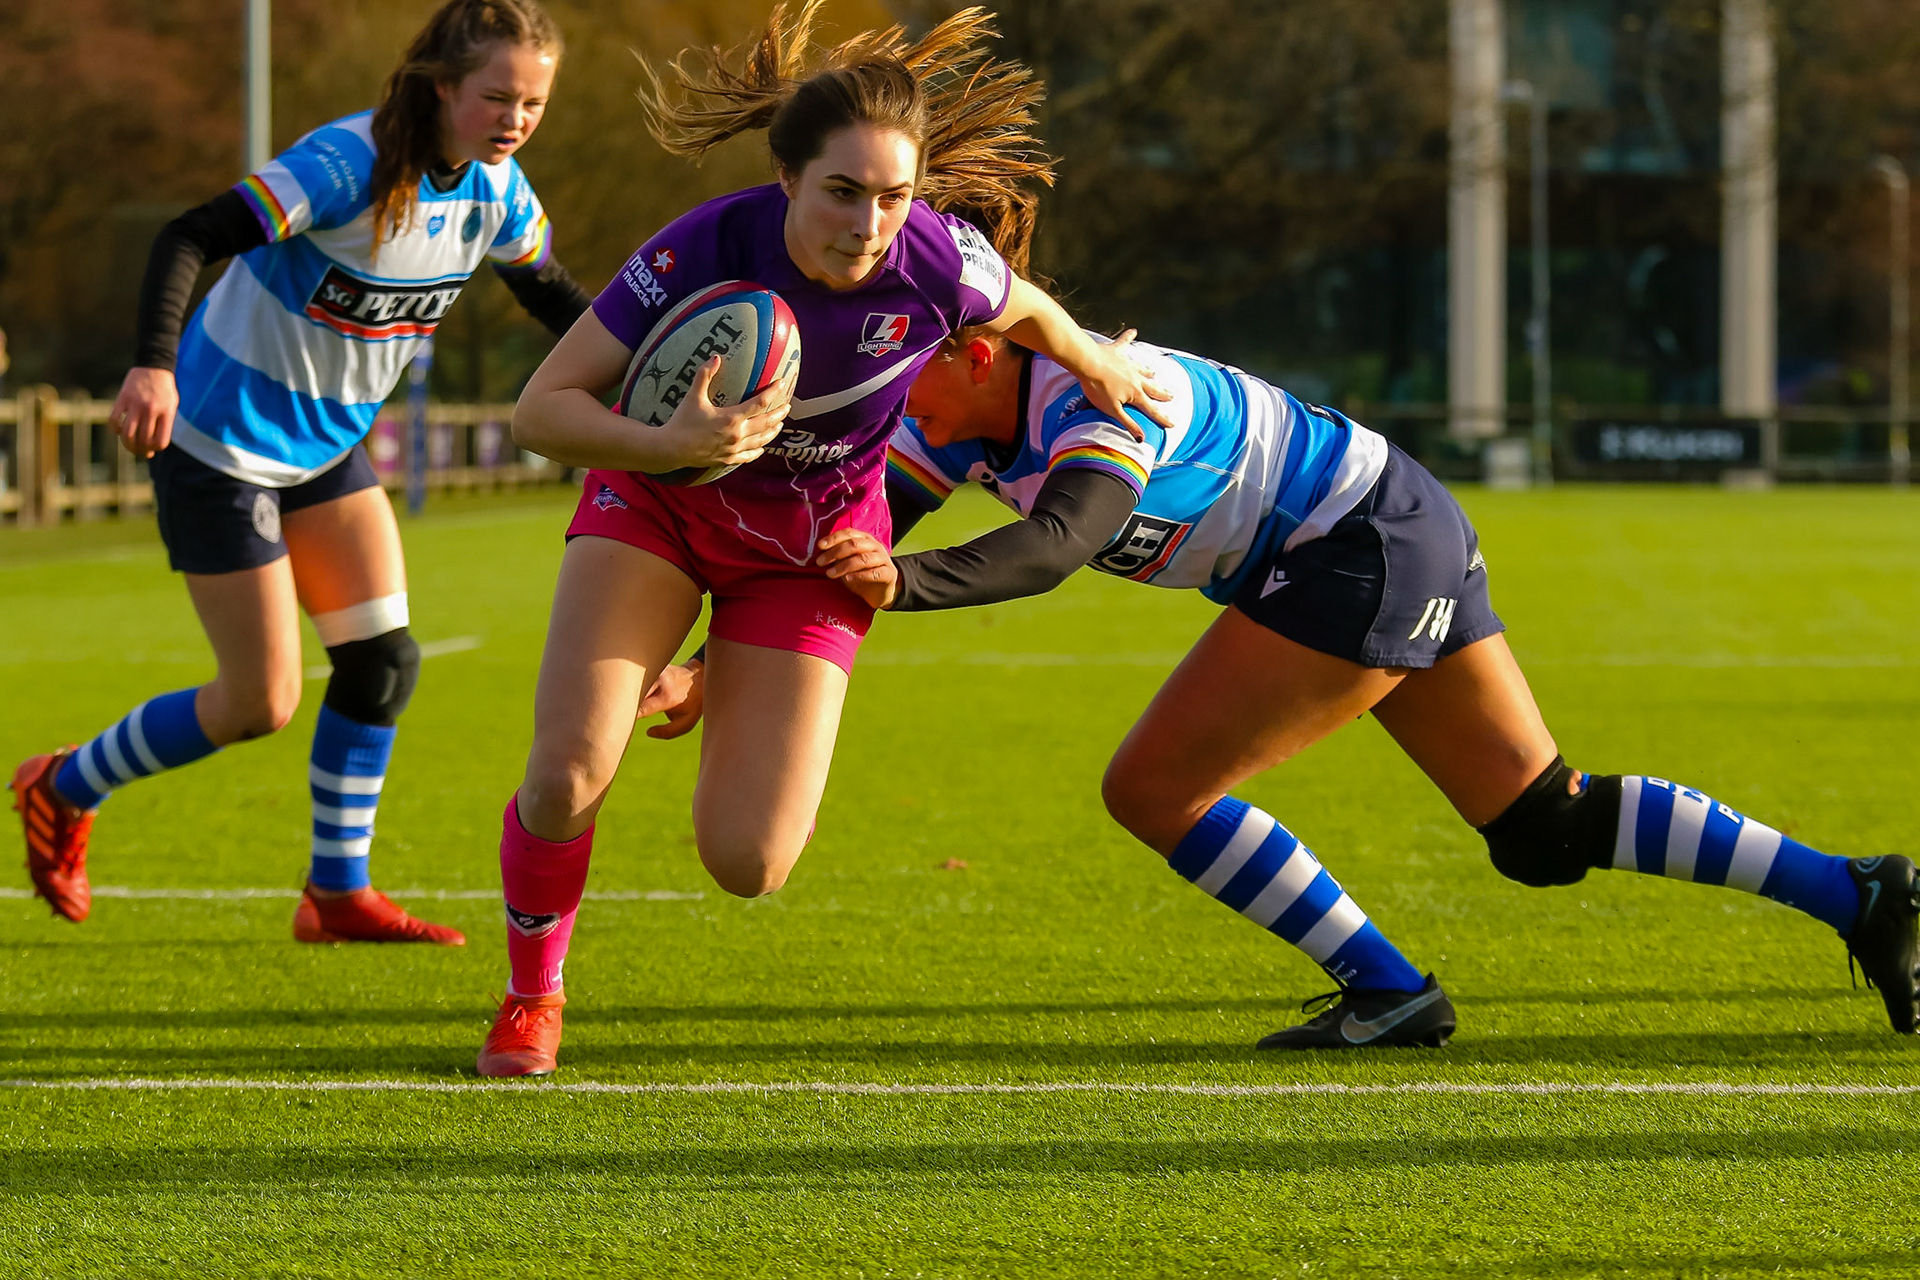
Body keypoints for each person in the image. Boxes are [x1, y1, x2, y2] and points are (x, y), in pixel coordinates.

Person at [801, 313, 1920, 1048]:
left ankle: (1387, 990)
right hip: (1386, 516)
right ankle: (1861, 892)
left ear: (981, 350)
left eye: (908, 372)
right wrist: (720, 664)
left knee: (1152, 788)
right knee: (1541, 826)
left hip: (1355, 544)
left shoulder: (1098, 398)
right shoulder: (961, 420)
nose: (893, 401)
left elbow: (1053, 544)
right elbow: (867, 528)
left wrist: (903, 580)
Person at [475, 2, 1170, 1078]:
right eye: (843, 192)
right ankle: (532, 994)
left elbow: (1022, 303)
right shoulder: (705, 247)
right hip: (658, 507)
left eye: (895, 196)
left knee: (750, 861)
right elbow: (540, 409)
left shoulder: (939, 260)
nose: (870, 222)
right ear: (789, 177)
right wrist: (665, 440)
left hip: (814, 546)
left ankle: (707, 676)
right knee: (569, 771)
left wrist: (1091, 358)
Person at [8, 0, 592, 946]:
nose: (516, 119)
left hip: (325, 450)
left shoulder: (499, 192)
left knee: (380, 663)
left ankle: (334, 894)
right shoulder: (345, 165)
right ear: (443, 86)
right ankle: (62, 784)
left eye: (534, 103)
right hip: (220, 446)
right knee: (259, 704)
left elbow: (553, 296)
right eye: (497, 97)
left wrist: (645, 372)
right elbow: (187, 235)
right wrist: (152, 364)